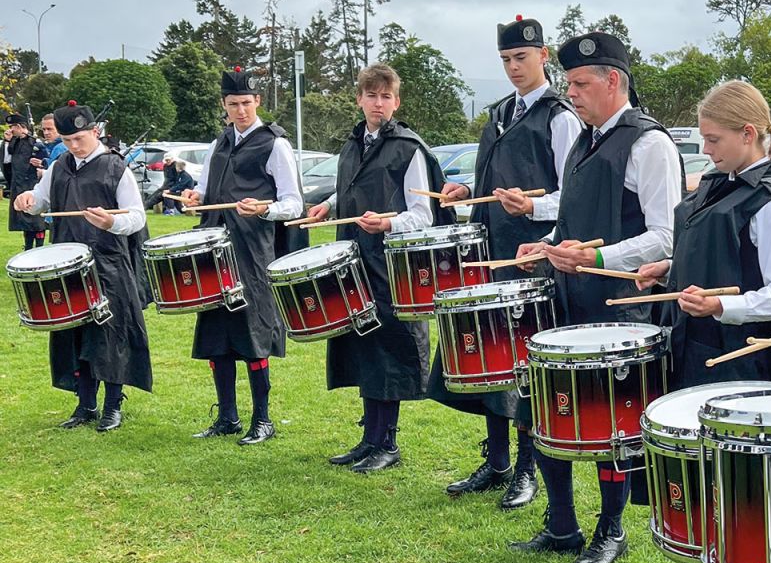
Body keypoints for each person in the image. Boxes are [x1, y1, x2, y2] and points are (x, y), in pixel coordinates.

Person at [631, 80, 771, 563]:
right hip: (696, 349)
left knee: (729, 483)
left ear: (748, 133)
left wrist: (722, 306)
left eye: (713, 139)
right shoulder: (718, 185)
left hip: (745, 364)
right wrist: (669, 266)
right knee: (696, 473)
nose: (705, 150)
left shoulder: (769, 199)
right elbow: (710, 252)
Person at [508, 31, 684, 563]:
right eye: (569, 83)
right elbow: (572, 217)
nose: (571, 92)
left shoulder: (649, 143)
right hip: (567, 297)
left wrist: (599, 257)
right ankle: (561, 523)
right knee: (548, 408)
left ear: (613, 81)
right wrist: (546, 244)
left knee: (611, 424)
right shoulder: (584, 139)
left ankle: (612, 529)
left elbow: (666, 236)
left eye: (582, 83)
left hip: (621, 307)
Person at [434, 15, 583, 508]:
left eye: (521, 57)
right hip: (490, 253)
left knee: (523, 367)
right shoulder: (498, 113)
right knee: (488, 359)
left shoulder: (560, 117)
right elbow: (490, 184)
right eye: (505, 60)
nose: (513, 67)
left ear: (543, 56)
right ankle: (497, 459)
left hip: (533, 257)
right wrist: (465, 193)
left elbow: (574, 196)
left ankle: (526, 469)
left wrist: (533, 209)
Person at [307, 63, 457, 472]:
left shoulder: (408, 148)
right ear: (359, 99)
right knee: (364, 348)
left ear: (397, 102)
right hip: (354, 261)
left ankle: (387, 443)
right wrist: (329, 206)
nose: (378, 103)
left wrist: (388, 223)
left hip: (392, 267)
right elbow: (353, 188)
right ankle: (369, 438)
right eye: (371, 95)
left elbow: (424, 214)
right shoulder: (353, 144)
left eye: (386, 96)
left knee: (389, 349)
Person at [179, 67, 303, 446]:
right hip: (214, 251)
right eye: (233, 104)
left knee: (253, 335)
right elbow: (205, 191)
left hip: (251, 253)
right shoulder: (219, 143)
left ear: (257, 101)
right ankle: (227, 417)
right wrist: (194, 197)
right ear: (224, 105)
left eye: (246, 103)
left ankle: (262, 420)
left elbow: (293, 203)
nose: (241, 110)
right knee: (217, 335)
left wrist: (264, 209)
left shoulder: (274, 144)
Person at [13, 102, 152, 431]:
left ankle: (113, 405)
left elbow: (136, 216)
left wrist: (110, 222)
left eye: (79, 138)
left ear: (95, 131)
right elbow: (42, 199)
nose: (74, 146)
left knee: (111, 334)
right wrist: (28, 199)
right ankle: (85, 404)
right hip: (69, 263)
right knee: (76, 333)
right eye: (67, 140)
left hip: (108, 263)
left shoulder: (115, 167)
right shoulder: (60, 165)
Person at [6, 113, 47, 250]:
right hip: (18, 185)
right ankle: (28, 247)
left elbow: (45, 161)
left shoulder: (35, 142)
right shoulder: (15, 142)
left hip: (32, 185)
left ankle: (40, 247)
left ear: (19, 126)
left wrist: (40, 164)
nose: (10, 130)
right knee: (24, 222)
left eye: (12, 127)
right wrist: (8, 141)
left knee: (37, 221)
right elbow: (7, 160)